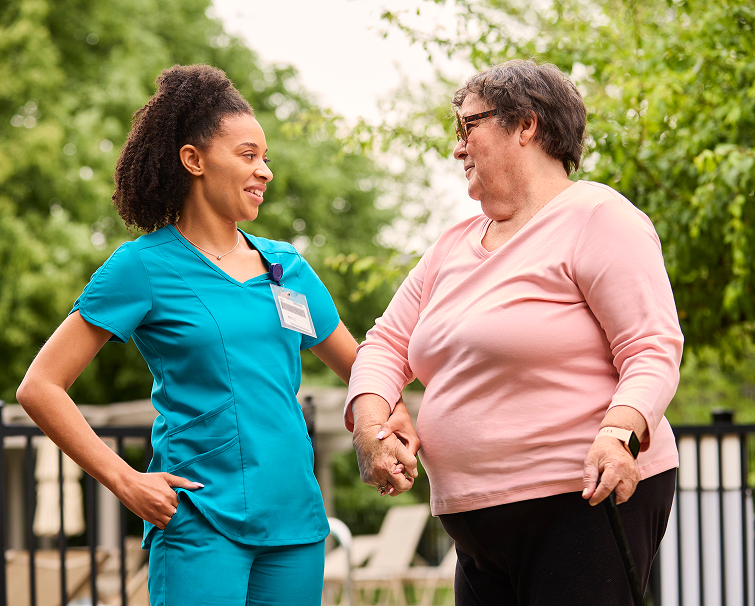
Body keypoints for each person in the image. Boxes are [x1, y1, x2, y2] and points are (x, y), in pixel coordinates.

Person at [16, 64, 418, 606]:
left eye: (266, 158)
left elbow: (366, 369)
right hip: (199, 524)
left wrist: (393, 423)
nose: (266, 171)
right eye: (249, 155)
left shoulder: (287, 268)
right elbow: (40, 386)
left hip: (295, 525)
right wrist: (124, 480)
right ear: (194, 160)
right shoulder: (141, 267)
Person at [345, 59, 683, 605]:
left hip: (579, 504)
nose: (458, 148)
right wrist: (369, 425)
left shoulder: (598, 216)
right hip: (475, 521)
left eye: (468, 126)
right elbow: (385, 344)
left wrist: (620, 433)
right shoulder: (451, 246)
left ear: (525, 125)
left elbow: (652, 346)